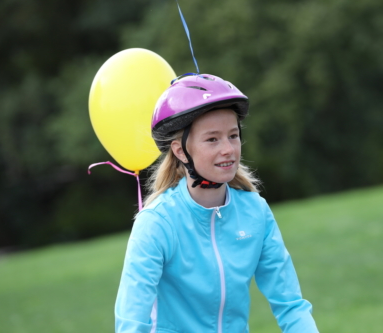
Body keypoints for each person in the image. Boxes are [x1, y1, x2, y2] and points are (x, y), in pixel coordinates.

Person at [115, 73, 319, 333]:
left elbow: (290, 304)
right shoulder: (156, 223)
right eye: (212, 139)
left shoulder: (256, 211)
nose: (228, 149)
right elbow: (131, 322)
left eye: (233, 136)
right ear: (180, 151)